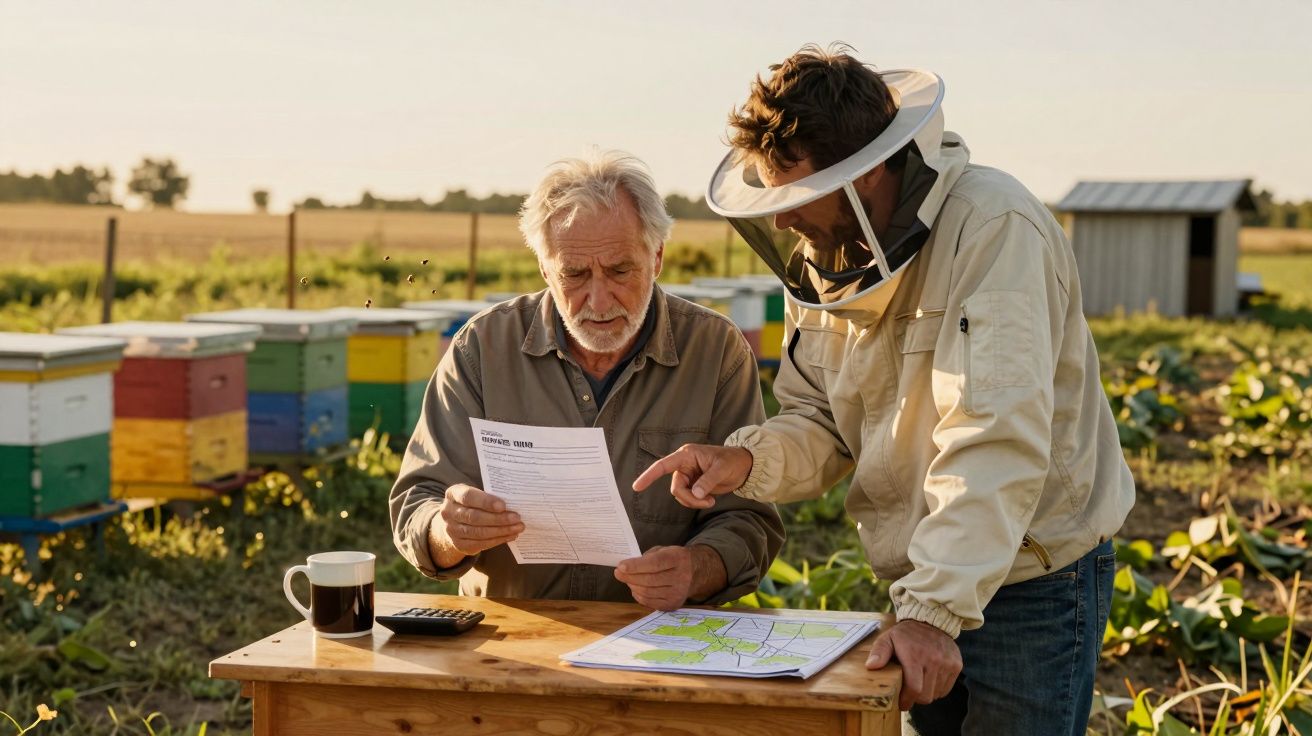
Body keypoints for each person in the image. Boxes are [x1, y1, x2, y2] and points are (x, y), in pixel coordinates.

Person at [633, 45, 1134, 734]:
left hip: (1030, 578)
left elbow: (995, 436)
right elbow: (819, 415)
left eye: (798, 197)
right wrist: (745, 461)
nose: (783, 222)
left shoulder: (993, 228)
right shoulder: (824, 259)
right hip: (924, 579)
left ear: (866, 175)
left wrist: (932, 612)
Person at [390, 149, 784, 610]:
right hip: (511, 645)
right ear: (544, 269)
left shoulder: (716, 352)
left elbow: (751, 520)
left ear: (656, 257)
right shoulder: (481, 350)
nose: (598, 300)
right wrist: (449, 530)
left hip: (659, 642)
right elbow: (416, 504)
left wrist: (697, 568)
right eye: (574, 275)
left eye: (620, 271)